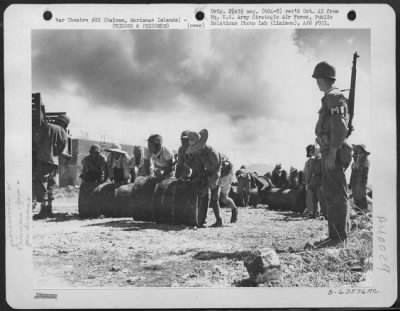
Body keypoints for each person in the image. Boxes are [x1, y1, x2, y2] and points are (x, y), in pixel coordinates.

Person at [312, 61, 352, 248]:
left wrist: (333, 151)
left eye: (318, 78)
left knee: (335, 193)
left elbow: (340, 126)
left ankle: (337, 238)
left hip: (333, 151)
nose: (317, 82)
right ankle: (337, 235)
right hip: (329, 150)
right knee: (333, 192)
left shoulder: (334, 97)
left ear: (324, 78)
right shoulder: (331, 97)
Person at [185, 129, 238, 227]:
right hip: (212, 174)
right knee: (213, 197)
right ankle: (217, 220)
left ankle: (233, 210)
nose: (195, 149)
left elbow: (216, 175)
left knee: (221, 198)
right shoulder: (197, 153)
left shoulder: (212, 153)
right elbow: (199, 170)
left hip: (224, 174)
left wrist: (207, 187)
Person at [32, 113, 70, 218]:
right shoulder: (64, 133)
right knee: (50, 185)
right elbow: (62, 149)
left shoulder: (48, 126)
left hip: (44, 159)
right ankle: (49, 210)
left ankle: (43, 211)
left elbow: (37, 140)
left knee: (41, 183)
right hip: (54, 162)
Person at [349, 144, 370, 213]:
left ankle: (364, 211)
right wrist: (351, 182)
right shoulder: (356, 161)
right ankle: (358, 210)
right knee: (356, 195)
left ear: (362, 150)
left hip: (360, 182)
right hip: (356, 182)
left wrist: (363, 183)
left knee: (362, 195)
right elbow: (353, 174)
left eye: (358, 148)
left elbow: (365, 174)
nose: (357, 150)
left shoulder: (365, 160)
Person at [308, 147, 327, 219]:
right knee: (314, 199)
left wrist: (322, 184)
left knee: (321, 199)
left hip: (319, 181)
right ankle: (314, 214)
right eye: (314, 151)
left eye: (315, 151)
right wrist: (308, 182)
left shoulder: (322, 160)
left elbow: (324, 173)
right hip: (313, 181)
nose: (314, 152)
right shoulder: (313, 160)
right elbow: (310, 172)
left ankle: (325, 214)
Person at [303, 144, 316, 216]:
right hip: (308, 182)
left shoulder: (315, 160)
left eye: (312, 150)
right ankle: (310, 211)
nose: (310, 151)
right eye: (309, 150)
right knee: (309, 197)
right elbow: (305, 172)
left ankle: (313, 211)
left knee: (314, 197)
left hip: (313, 181)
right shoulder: (308, 162)